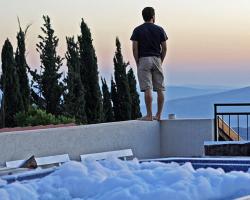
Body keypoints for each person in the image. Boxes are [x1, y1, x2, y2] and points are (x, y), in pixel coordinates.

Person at [130, 7, 168, 121]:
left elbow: (134, 49)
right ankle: (159, 115)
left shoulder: (137, 30)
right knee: (160, 88)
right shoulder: (160, 29)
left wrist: (137, 62)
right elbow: (164, 48)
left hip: (143, 59)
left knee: (147, 88)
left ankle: (149, 115)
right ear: (153, 16)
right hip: (157, 58)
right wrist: (161, 60)